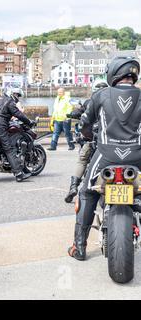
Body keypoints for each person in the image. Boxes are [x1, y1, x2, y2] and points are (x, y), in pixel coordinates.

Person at [68, 57, 141, 261]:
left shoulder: (100, 95)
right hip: (138, 155)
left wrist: (89, 137)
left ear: (113, 73)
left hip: (105, 156)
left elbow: (85, 125)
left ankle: (79, 247)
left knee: (86, 193)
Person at [64, 79, 109, 203]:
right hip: (109, 139)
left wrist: (73, 113)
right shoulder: (111, 101)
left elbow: (82, 114)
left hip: (93, 138)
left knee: (82, 159)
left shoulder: (90, 102)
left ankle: (73, 187)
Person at [0, 87, 35, 182]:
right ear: (11, 93)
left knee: (1, 146)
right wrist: (29, 122)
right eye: (17, 95)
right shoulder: (9, 102)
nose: (17, 97)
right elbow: (18, 114)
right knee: (9, 149)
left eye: (18, 95)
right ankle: (19, 174)